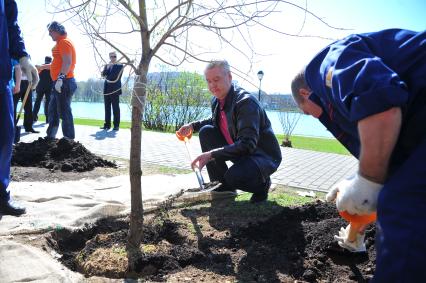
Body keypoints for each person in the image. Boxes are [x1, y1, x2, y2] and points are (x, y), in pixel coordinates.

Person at [290, 29, 426, 281]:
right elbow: (393, 166)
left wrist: (367, 180)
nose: (315, 117)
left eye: (307, 112)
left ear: (304, 94)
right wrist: (358, 224)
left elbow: (381, 103)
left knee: (404, 210)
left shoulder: (328, 64)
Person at [177, 60, 282, 203]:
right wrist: (192, 126)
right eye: (208, 81)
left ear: (229, 77)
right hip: (240, 150)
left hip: (261, 156)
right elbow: (217, 120)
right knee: (206, 131)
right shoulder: (217, 100)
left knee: (234, 177)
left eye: (216, 79)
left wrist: (211, 155)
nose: (212, 85)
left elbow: (247, 144)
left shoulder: (245, 102)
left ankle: (262, 185)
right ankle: (222, 187)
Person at [1, 0, 38, 216]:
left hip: (1, 74)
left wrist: (23, 56)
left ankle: (1, 194)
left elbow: (12, 25)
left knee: (6, 134)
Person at [45, 21, 77, 140]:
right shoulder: (60, 43)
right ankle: (50, 137)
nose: (49, 35)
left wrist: (60, 79)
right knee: (53, 110)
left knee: (64, 110)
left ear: (57, 31)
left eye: (50, 32)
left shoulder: (64, 42)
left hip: (65, 82)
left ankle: (69, 139)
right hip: (59, 82)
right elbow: (57, 63)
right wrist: (43, 67)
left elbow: (67, 62)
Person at [100, 51, 124, 131]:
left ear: (116, 57)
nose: (112, 58)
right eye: (111, 57)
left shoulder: (120, 65)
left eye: (114, 56)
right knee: (107, 108)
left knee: (115, 108)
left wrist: (106, 73)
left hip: (114, 90)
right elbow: (103, 75)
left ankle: (116, 125)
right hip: (106, 89)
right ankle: (107, 125)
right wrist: (105, 70)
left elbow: (114, 76)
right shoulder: (107, 65)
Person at [13, 63, 38, 133]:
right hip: (17, 82)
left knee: (29, 106)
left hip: (27, 83)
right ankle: (12, 126)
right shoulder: (15, 56)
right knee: (13, 105)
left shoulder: (27, 57)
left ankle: (28, 126)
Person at [33, 56, 53, 123]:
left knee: (37, 101)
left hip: (40, 86)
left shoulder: (40, 67)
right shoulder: (51, 67)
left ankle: (34, 116)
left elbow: (36, 75)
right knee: (48, 102)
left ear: (45, 60)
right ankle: (47, 118)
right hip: (49, 87)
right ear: (51, 60)